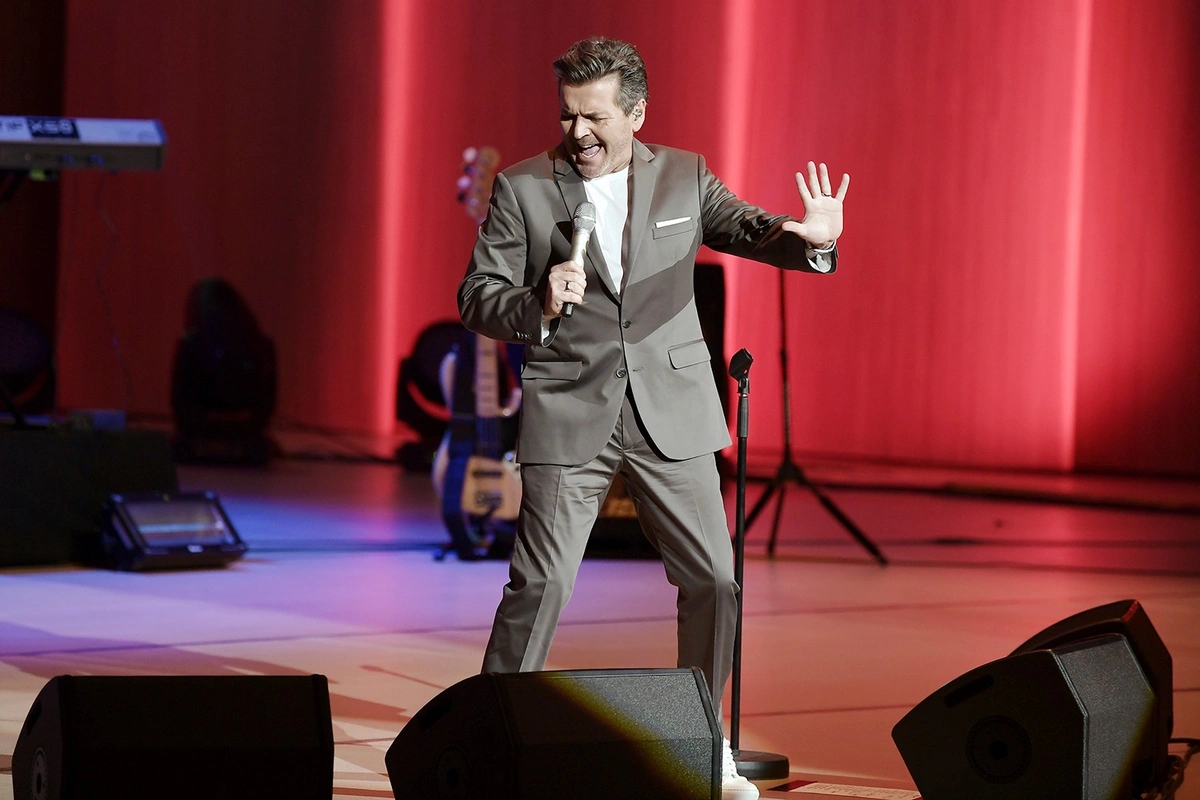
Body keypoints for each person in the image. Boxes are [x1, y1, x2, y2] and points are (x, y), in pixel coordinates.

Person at [458, 36, 849, 799]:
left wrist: (814, 243)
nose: (578, 133)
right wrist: (537, 303)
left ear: (637, 113)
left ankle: (699, 747)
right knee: (540, 585)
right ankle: (486, 748)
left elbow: (751, 229)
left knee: (714, 580)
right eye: (568, 116)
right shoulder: (523, 188)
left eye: (595, 117)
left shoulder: (684, 176)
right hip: (570, 407)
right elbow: (477, 297)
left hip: (670, 410)